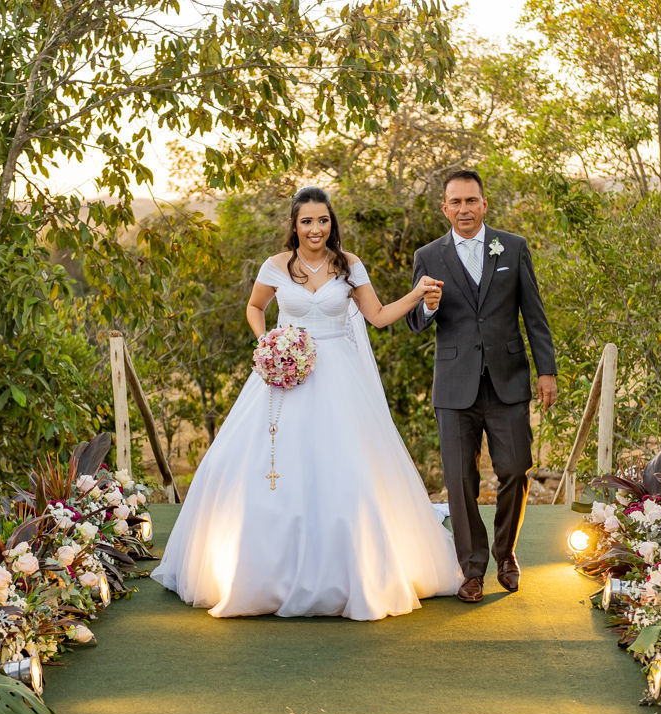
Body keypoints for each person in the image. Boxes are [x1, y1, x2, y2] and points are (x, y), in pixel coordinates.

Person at [151, 186, 463, 620]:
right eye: (307, 221)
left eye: (323, 220)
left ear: (331, 223)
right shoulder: (275, 266)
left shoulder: (349, 266)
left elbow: (377, 316)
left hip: (339, 375)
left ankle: (356, 573)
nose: (316, 229)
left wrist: (416, 295)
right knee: (267, 467)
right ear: (294, 226)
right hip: (284, 374)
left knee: (350, 470)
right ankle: (264, 574)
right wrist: (269, 345)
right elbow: (255, 308)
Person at [405, 169, 557, 603]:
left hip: (508, 380)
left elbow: (534, 314)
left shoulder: (513, 247)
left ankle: (505, 553)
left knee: (514, 470)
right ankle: (471, 569)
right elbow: (416, 322)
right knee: (459, 480)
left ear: (484, 204)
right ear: (444, 208)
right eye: (455, 202)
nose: (464, 209)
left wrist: (546, 370)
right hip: (454, 387)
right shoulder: (428, 256)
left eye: (471, 201)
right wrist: (428, 308)